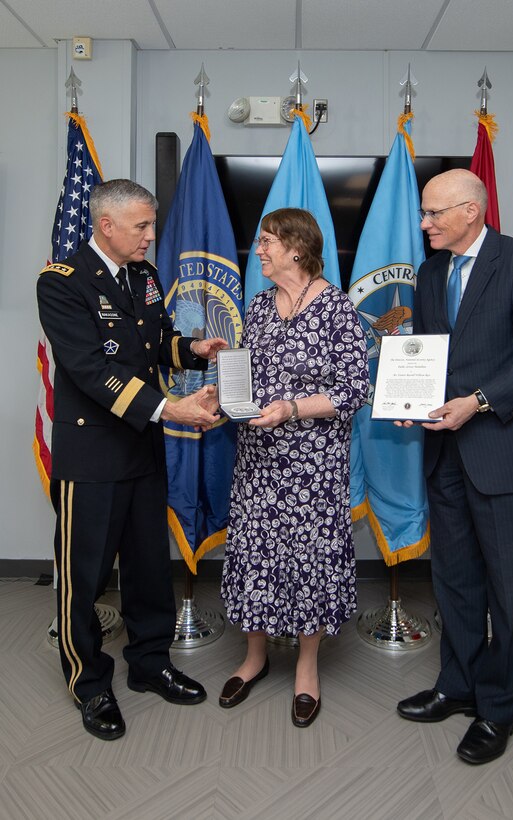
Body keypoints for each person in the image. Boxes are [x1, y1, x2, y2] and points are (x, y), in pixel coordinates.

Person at [37, 179, 228, 741]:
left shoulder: (142, 275)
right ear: (106, 226)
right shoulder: (62, 283)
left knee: (148, 569)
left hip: (143, 451)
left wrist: (191, 349)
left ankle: (150, 664)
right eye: (143, 226)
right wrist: (172, 408)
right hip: (92, 454)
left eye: (152, 224)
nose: (152, 235)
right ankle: (89, 682)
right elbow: (92, 371)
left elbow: (153, 341)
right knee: (84, 577)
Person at [395, 170, 513, 764]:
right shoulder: (429, 271)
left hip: (504, 452)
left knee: (510, 588)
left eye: (434, 214)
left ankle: (499, 709)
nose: (425, 224)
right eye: (424, 214)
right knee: (455, 581)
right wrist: (408, 402)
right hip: (444, 451)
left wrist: (480, 401)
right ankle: (458, 683)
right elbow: (428, 351)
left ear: (472, 211)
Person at [219, 208, 369, 727]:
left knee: (309, 558)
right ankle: (255, 657)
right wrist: (223, 396)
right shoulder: (257, 307)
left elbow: (354, 390)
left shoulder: (336, 309)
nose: (257, 250)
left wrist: (293, 408)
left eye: (266, 242)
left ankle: (307, 666)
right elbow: (246, 379)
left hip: (314, 466)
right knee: (256, 553)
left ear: (296, 248)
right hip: (258, 460)